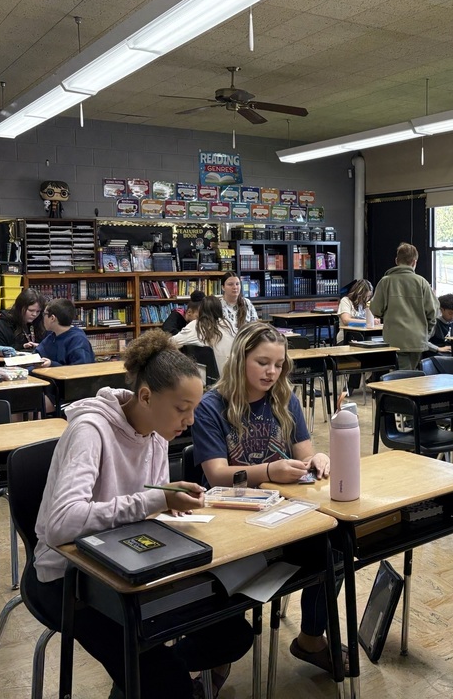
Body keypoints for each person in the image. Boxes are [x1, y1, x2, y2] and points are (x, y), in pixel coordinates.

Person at [31, 330, 253, 698]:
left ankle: (151, 675)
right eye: (182, 409)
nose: (191, 421)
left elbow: (148, 508)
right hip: (69, 580)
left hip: (129, 564)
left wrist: (170, 503)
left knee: (231, 633)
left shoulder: (155, 435)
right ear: (147, 396)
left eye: (194, 409)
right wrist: (156, 502)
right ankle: (157, 677)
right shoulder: (91, 431)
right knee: (164, 681)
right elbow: (61, 526)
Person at [191, 323, 344, 676]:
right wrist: (270, 472)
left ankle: (310, 639)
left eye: (278, 364)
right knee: (220, 579)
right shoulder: (212, 405)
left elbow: (305, 454)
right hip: (228, 521)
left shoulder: (284, 398)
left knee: (334, 552)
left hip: (279, 516)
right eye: (262, 362)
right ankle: (216, 663)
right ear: (240, 359)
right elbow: (216, 474)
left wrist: (317, 460)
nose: (271, 372)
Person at [370, 242, 438, 370]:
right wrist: (426, 334)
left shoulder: (386, 282)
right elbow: (433, 313)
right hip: (418, 339)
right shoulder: (422, 282)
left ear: (396, 260)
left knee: (401, 378)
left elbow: (375, 310)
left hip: (395, 339)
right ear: (414, 262)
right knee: (412, 376)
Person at [170, 294, 235, 374]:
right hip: (233, 377)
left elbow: (171, 342)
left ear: (201, 309)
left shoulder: (196, 326)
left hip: (210, 380)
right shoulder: (230, 325)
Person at [34, 298, 95, 367]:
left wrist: (52, 364)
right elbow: (37, 355)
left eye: (44, 314)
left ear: (52, 318)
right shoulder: (53, 336)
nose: (42, 318)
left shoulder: (78, 340)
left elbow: (80, 370)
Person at [336, 279, 376, 344]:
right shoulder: (346, 301)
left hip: (365, 337)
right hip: (347, 338)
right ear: (357, 293)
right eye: (363, 296)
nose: (366, 299)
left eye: (368, 296)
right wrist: (367, 322)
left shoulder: (367, 303)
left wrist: (374, 321)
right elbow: (346, 321)